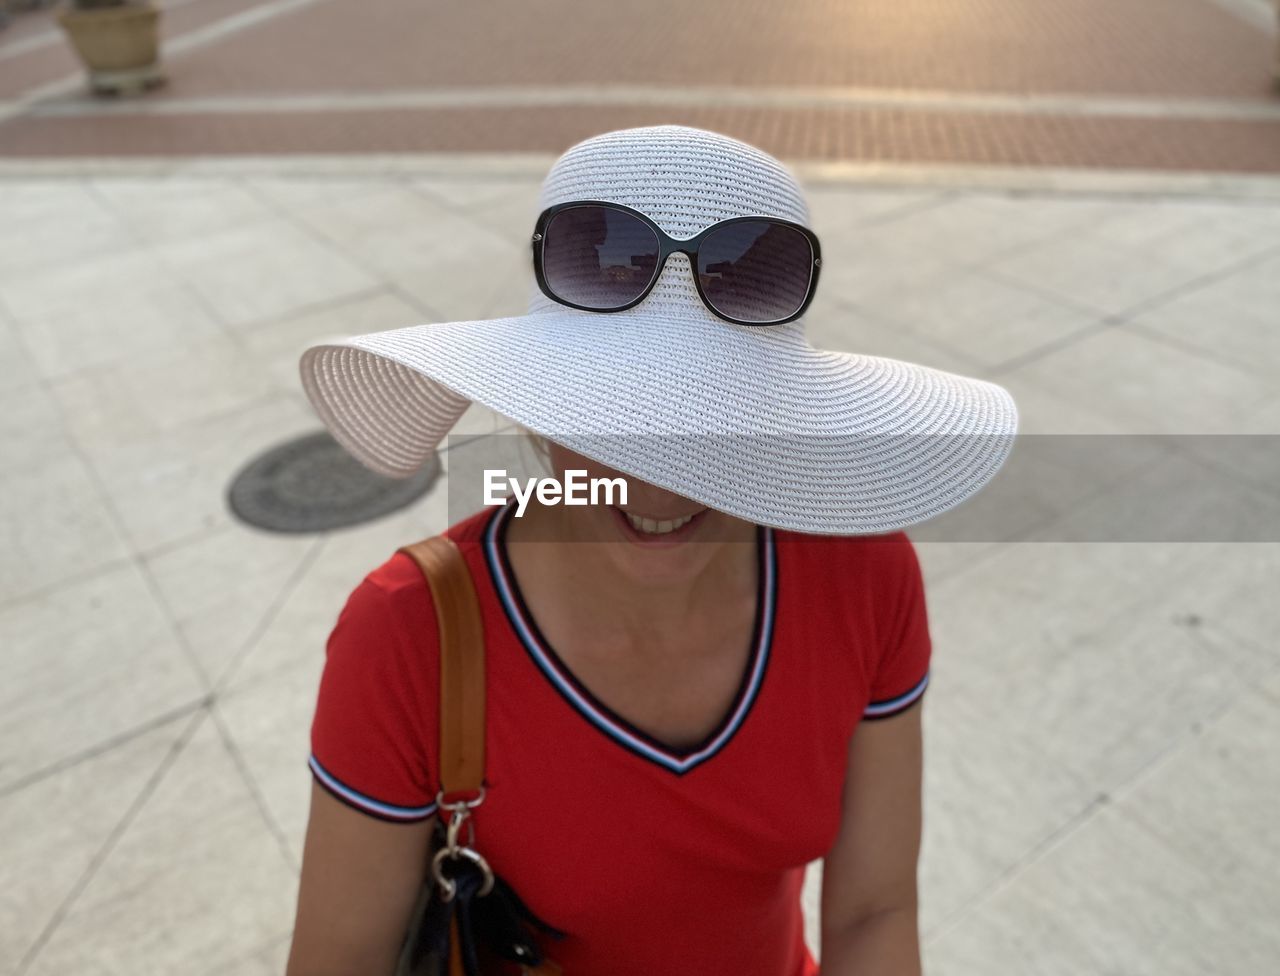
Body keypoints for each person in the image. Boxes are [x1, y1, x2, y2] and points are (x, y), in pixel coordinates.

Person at [286, 125, 1018, 976]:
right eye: (611, 417)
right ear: (530, 408)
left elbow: (875, 912)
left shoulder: (863, 572)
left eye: (716, 424)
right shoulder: (408, 636)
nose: (660, 483)